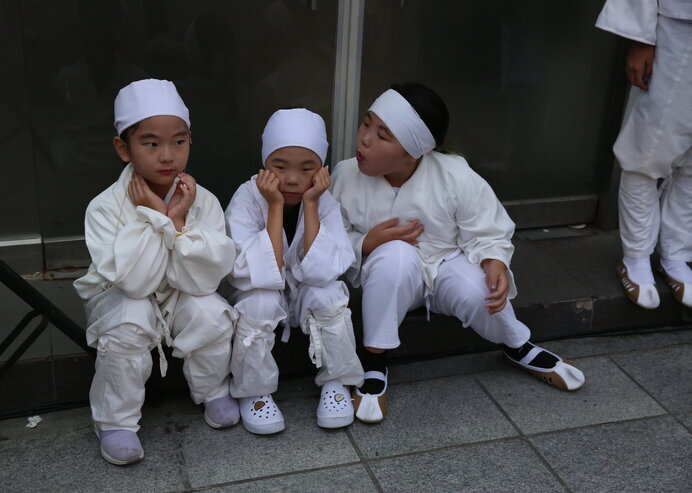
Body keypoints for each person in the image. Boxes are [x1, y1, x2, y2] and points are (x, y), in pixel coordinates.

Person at [330, 83, 585, 423]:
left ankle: (516, 345)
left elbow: (487, 226)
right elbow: (330, 237)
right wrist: (367, 242)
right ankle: (374, 361)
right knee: (395, 256)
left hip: (445, 263)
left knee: (479, 290)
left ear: (412, 153)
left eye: (382, 135)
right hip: (388, 275)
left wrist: (494, 261)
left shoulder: (453, 174)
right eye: (366, 123)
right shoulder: (345, 176)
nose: (364, 139)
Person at [73, 79, 239, 465]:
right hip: (121, 297)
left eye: (179, 142)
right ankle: (115, 421)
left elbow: (205, 279)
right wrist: (155, 217)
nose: (168, 156)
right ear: (123, 148)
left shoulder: (203, 201)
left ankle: (213, 390)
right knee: (131, 318)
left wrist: (177, 221)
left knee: (211, 311)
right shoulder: (104, 208)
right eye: (151, 144)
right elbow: (134, 283)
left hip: (182, 289)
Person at [224, 108, 364, 434]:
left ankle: (337, 382)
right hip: (257, 295)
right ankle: (254, 391)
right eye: (280, 166)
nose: (291, 179)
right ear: (264, 164)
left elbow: (324, 270)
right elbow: (257, 272)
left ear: (321, 170)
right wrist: (274, 206)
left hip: (302, 296)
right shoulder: (247, 198)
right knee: (260, 299)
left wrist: (311, 204)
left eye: (306, 168)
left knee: (329, 293)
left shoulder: (323, 200)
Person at [595, 0, 691, 309]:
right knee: (647, 150)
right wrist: (641, 38)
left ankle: (676, 254)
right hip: (680, 28)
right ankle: (635, 257)